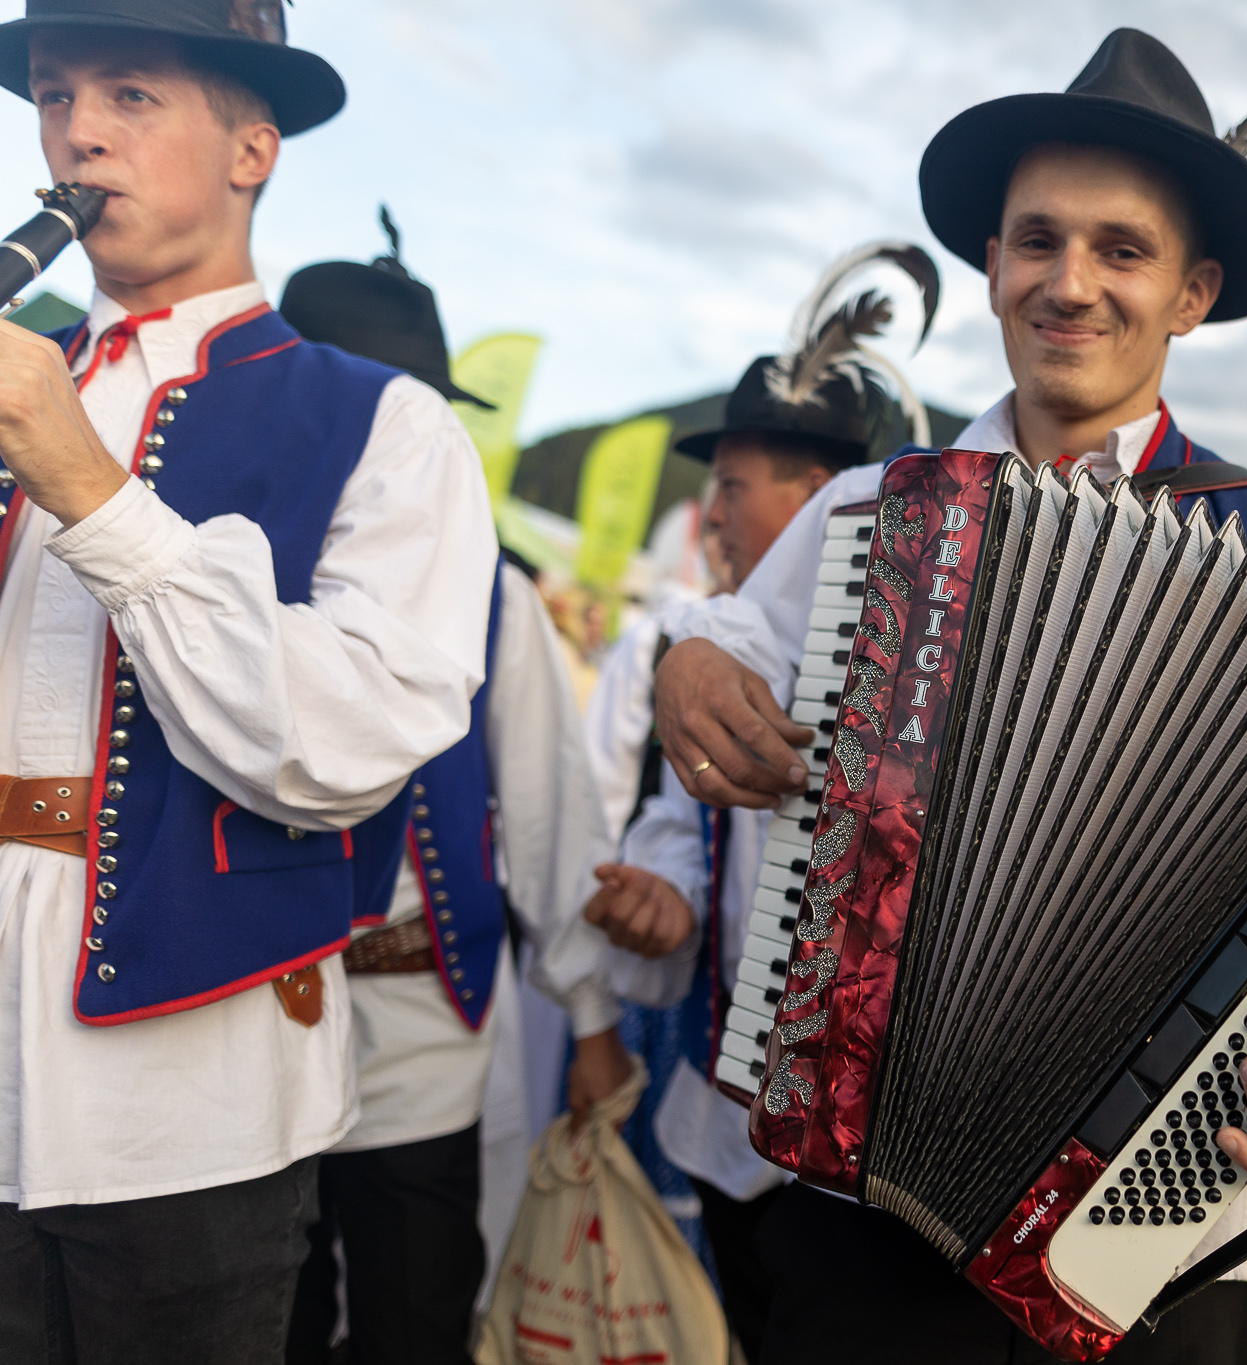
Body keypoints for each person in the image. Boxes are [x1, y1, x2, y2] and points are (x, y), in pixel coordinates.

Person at [633, 30, 1247, 1364]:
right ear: (992, 264)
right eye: (1037, 239)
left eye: (1122, 249)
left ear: (1192, 294)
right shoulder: (866, 512)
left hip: (1160, 1236)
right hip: (861, 1205)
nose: (1070, 281)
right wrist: (684, 660)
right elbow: (724, 642)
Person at [0, 5, 499, 1361]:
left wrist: (91, 489)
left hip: (188, 1102)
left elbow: (348, 743)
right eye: (53, 95)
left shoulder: (390, 424)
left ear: (251, 150)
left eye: (129, 94)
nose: (77, 133)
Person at [274, 222, 635, 1364]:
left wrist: (589, 1017)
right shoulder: (211, 565)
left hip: (420, 1032)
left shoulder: (494, 595)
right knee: (255, 1324)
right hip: (235, 1025)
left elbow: (548, 809)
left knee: (417, 1318)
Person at [581, 243, 936, 1364]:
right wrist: (664, 899)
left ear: (822, 495)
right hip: (730, 1123)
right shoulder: (700, 645)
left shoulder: (924, 647)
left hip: (889, 1154)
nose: (713, 517)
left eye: (732, 487)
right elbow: (680, 829)